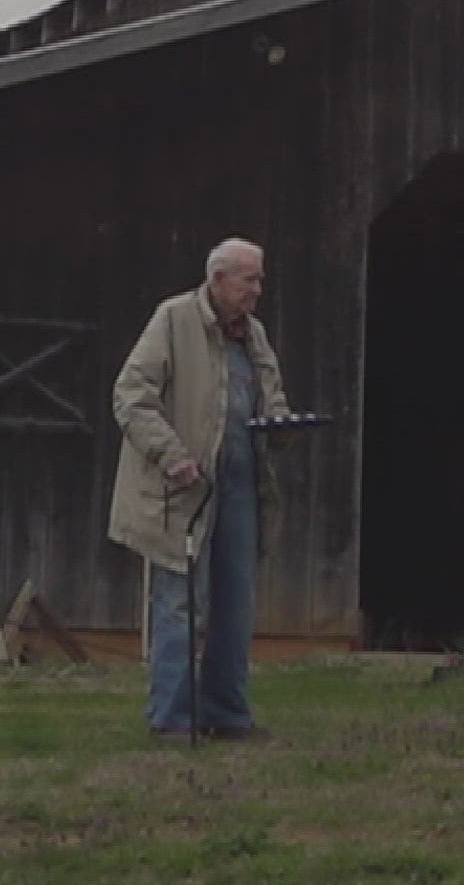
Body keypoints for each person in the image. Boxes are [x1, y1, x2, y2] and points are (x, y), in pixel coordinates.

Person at [110, 237, 289, 741]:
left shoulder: (253, 338)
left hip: (240, 486)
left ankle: (226, 713)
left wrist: (282, 426)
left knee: (236, 602)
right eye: (249, 279)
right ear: (218, 279)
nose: (258, 290)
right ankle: (171, 717)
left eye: (260, 279)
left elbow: (272, 400)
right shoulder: (173, 320)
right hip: (182, 490)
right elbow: (130, 397)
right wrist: (171, 455)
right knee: (181, 602)